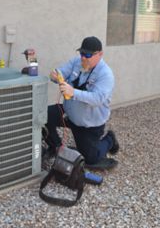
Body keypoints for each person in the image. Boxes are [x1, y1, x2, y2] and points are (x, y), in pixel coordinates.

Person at [43, 36, 119, 167]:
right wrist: (55, 75)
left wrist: (73, 92)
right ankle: (56, 147)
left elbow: (97, 99)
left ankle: (110, 139)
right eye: (82, 53)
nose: (83, 57)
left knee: (91, 159)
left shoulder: (106, 74)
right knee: (42, 115)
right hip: (69, 113)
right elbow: (62, 72)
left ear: (100, 54)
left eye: (88, 54)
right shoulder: (76, 62)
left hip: (88, 123)